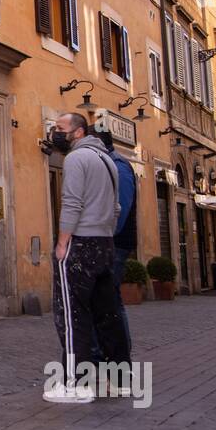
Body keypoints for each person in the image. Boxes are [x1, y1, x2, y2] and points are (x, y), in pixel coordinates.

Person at [45, 113, 128, 403]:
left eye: (60, 128)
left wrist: (62, 242)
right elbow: (116, 208)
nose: (55, 132)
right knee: (108, 314)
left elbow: (71, 202)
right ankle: (119, 380)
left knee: (71, 314)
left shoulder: (76, 159)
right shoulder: (109, 162)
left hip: (81, 244)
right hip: (105, 242)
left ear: (77, 132)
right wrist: (105, 231)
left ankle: (76, 384)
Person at [93, 127, 137, 359]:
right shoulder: (109, 164)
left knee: (109, 299)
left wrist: (105, 238)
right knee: (111, 299)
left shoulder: (118, 167)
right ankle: (118, 350)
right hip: (111, 242)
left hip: (115, 243)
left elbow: (120, 208)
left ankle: (118, 352)